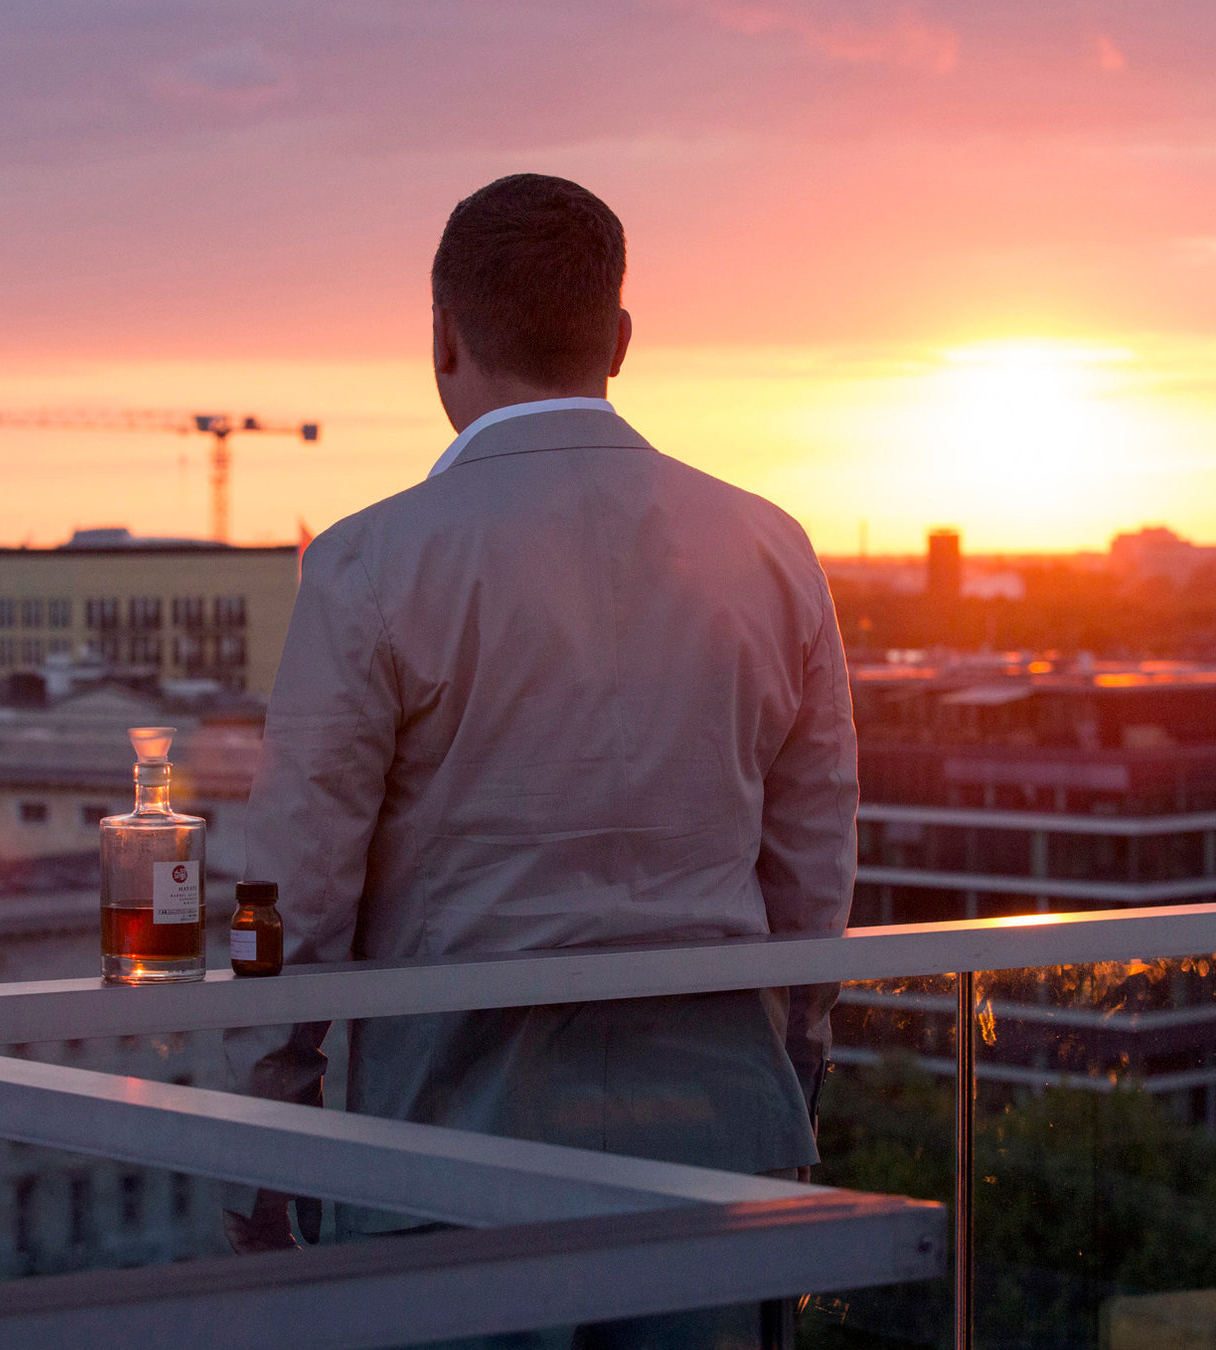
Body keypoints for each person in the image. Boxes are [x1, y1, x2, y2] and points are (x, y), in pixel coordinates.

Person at [231, 174, 858, 1343]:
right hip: (722, 1151)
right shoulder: (770, 550)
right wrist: (799, 1057)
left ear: (443, 339)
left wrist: (268, 1120)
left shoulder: (368, 566)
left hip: (448, 1162)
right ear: (619, 340)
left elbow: (293, 882)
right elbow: (814, 868)